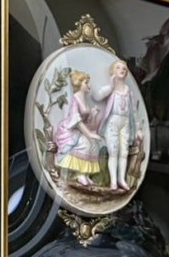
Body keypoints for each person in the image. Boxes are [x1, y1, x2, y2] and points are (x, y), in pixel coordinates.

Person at [53, 70, 103, 186]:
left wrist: (93, 115)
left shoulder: (84, 99)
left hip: (81, 129)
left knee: (94, 145)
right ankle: (79, 174)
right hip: (70, 130)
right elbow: (76, 121)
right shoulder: (75, 99)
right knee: (85, 144)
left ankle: (85, 174)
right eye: (86, 83)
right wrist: (89, 134)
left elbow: (90, 125)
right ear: (79, 84)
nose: (89, 85)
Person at [94, 58, 137, 191]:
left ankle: (121, 179)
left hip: (125, 123)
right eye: (118, 68)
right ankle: (113, 181)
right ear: (112, 71)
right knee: (113, 151)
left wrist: (138, 128)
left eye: (124, 68)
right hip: (113, 122)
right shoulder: (111, 89)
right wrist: (110, 86)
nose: (122, 70)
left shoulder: (128, 91)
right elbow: (96, 96)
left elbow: (134, 111)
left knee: (124, 152)